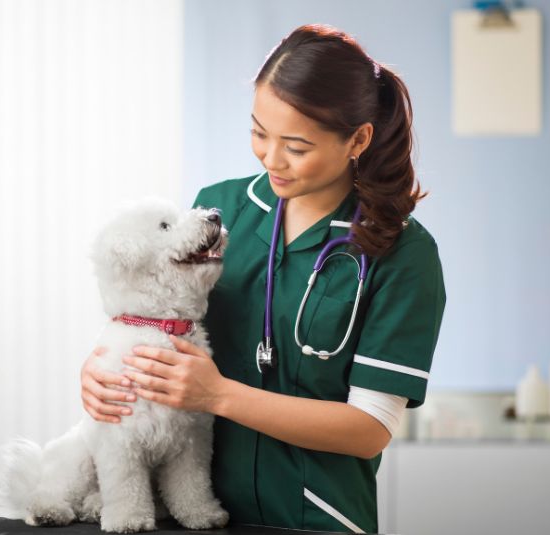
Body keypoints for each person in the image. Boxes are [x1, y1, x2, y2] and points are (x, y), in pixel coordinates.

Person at [80, 24, 446, 534]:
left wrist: (219, 396)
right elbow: (152, 314)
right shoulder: (220, 211)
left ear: (358, 139)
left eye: (296, 146)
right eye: (259, 133)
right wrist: (103, 371)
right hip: (193, 515)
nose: (272, 158)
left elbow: (369, 429)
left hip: (315, 517)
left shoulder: (402, 253)